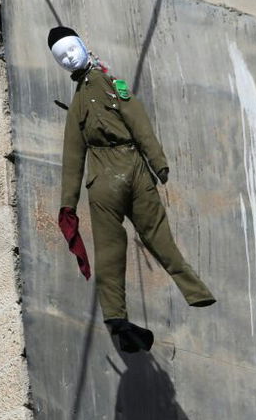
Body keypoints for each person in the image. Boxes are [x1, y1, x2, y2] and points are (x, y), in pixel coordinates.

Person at [49, 26, 215, 353]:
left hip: (128, 169)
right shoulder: (91, 97)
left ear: (83, 45)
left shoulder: (112, 86)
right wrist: (67, 204)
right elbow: (72, 157)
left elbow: (138, 123)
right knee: (114, 252)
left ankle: (193, 292)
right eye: (62, 56)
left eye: (71, 48)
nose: (69, 57)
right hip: (109, 178)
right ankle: (117, 318)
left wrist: (158, 161)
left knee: (155, 236)